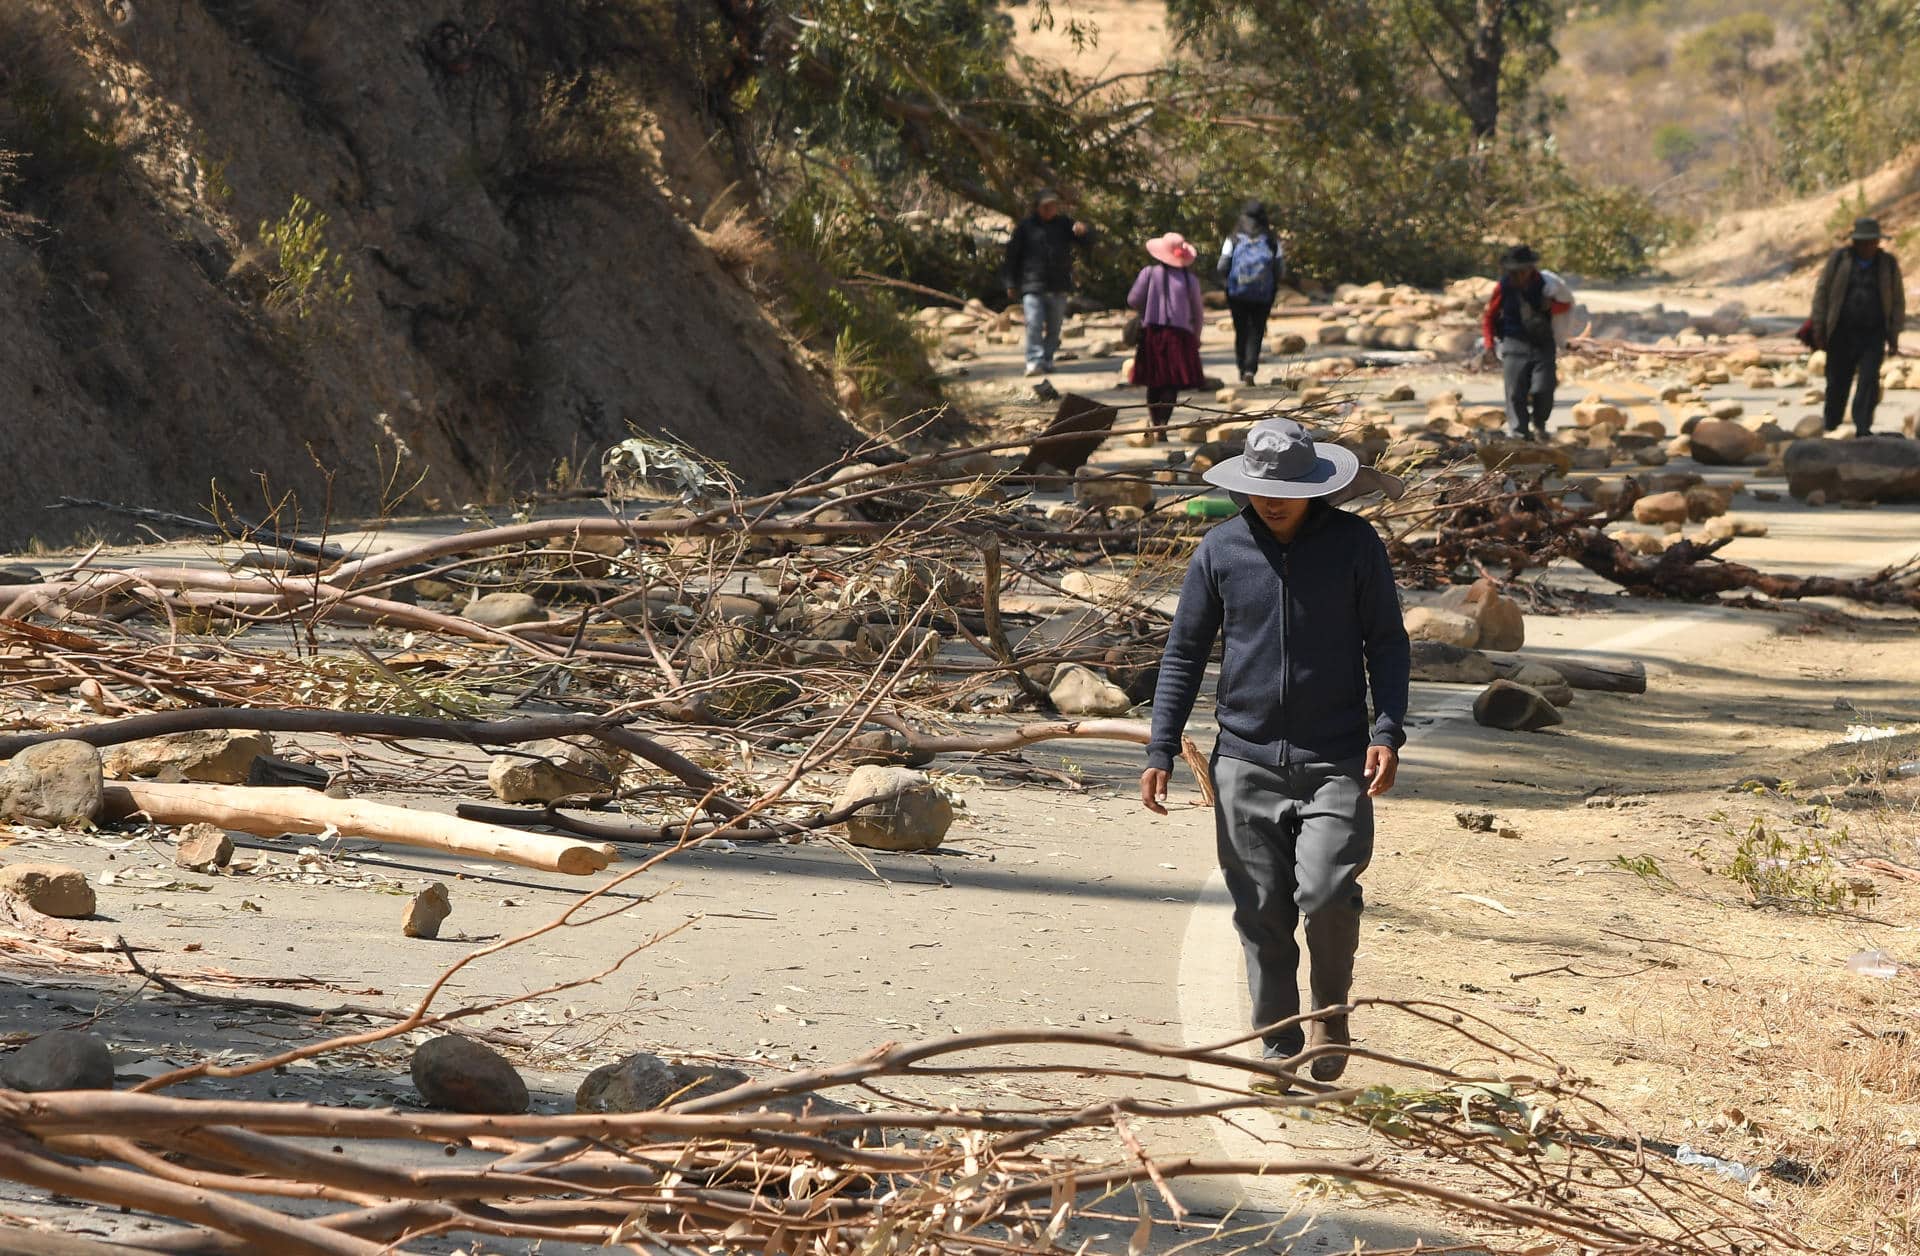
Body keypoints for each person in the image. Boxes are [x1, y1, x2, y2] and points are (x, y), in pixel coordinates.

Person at [1140, 418, 1410, 1084]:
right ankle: (1279, 1041)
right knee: (1260, 910)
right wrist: (1160, 747)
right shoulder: (1221, 550)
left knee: (1325, 893)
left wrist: (1387, 730)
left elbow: (1388, 642)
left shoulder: (1354, 545)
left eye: (1288, 488)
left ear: (1316, 487)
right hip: (1245, 760)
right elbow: (1183, 653)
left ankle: (1332, 1011)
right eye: (1264, 488)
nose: (1274, 500)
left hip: (1335, 759)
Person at [1811, 217, 1905, 437]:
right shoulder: (1840, 260)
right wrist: (1819, 326)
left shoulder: (1887, 264)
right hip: (1841, 332)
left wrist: (1894, 334)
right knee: (1836, 382)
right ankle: (1831, 426)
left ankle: (1863, 428)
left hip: (1873, 334)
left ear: (1877, 242)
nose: (1868, 247)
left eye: (1872, 242)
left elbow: (1898, 301)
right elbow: (1822, 292)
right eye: (1864, 242)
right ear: (1856, 242)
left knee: (1869, 381)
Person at [1480, 245, 1574, 440]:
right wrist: (1489, 345)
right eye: (1514, 271)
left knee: (1544, 388)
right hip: (1514, 342)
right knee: (1515, 391)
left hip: (1542, 342)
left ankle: (1539, 423)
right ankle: (1519, 432)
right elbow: (1489, 317)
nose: (1518, 275)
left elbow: (1566, 305)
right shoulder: (1503, 287)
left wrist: (1551, 305)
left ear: (1531, 269)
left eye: (1522, 271)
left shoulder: (1546, 285)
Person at [1004, 189, 1093, 378]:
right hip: (1032, 284)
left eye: (1053, 205)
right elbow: (1012, 256)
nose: (1050, 209)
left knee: (1055, 326)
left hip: (1058, 285)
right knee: (1034, 323)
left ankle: (1047, 358)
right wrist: (1010, 282)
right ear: (1037, 207)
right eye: (1045, 206)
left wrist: (1084, 231)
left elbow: (1087, 242)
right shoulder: (1025, 227)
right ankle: (1034, 361)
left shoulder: (1064, 224)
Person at [1127, 232, 1206, 441]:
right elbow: (1198, 313)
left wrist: (1149, 306)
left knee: (1154, 381)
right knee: (1172, 383)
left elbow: (1133, 299)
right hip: (1180, 337)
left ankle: (1155, 423)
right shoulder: (1190, 280)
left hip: (1152, 334)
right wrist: (1196, 336)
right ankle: (1164, 424)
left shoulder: (1149, 273)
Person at [1217, 201, 1283, 385]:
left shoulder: (1234, 239)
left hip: (1237, 293)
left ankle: (1241, 366)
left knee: (1241, 330)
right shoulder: (1271, 240)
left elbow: (1222, 266)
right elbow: (1279, 268)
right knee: (1257, 330)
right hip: (1263, 294)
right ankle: (1250, 369)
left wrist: (1227, 282)